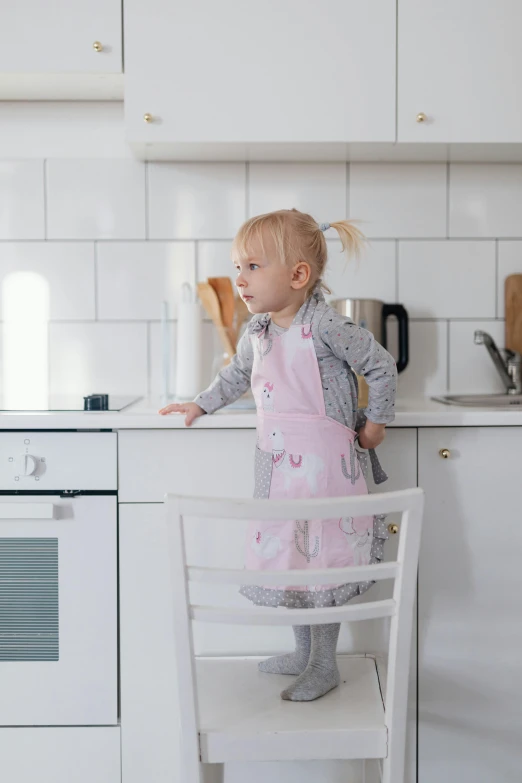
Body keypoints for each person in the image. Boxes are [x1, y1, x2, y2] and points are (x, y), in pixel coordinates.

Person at [159, 208, 397, 701]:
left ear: (298, 275)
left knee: (324, 565)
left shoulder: (328, 326)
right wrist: (200, 403)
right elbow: (234, 378)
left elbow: (381, 366)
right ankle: (303, 653)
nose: (239, 279)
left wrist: (375, 424)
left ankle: (324, 663)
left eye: (252, 266)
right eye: (237, 266)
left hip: (325, 474)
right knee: (292, 561)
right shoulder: (256, 333)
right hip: (279, 471)